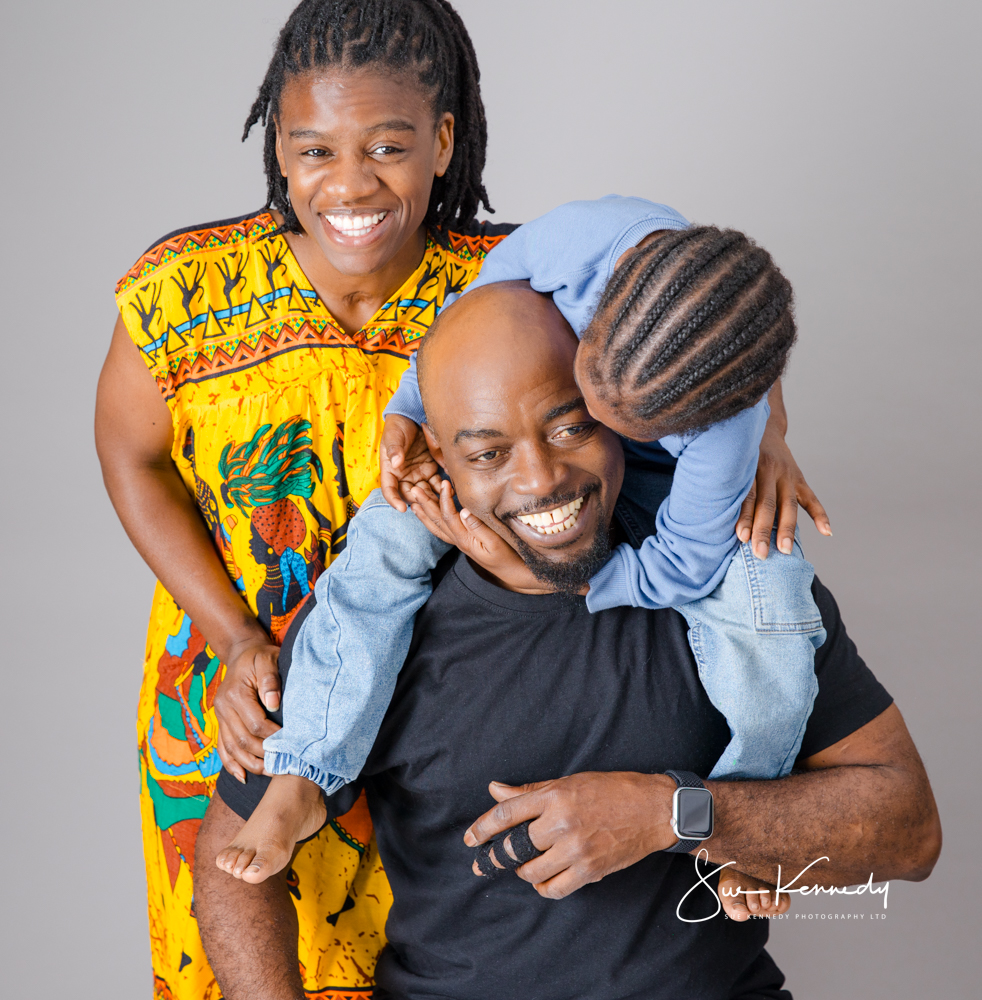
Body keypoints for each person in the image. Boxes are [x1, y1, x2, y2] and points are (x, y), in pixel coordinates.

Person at [198, 283, 941, 1000]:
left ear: (619, 414)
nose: (542, 478)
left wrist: (669, 814)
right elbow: (230, 868)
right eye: (488, 452)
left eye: (569, 427)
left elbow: (909, 831)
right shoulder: (370, 633)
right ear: (434, 457)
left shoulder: (737, 594)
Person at [94, 1, 514, 996]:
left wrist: (764, 440)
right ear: (277, 149)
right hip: (236, 701)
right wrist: (234, 638)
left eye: (389, 146)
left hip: (439, 711)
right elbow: (128, 453)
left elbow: (681, 316)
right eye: (314, 148)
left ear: (445, 142)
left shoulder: (509, 291)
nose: (350, 184)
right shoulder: (182, 291)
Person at [222, 205, 833, 873]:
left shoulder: (724, 435)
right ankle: (305, 773)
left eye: (622, 424)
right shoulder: (571, 244)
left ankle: (741, 823)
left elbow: (684, 565)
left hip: (667, 487)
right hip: (535, 419)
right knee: (380, 547)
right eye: (594, 398)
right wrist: (409, 408)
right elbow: (467, 318)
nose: (609, 424)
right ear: (597, 315)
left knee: (771, 603)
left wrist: (553, 580)